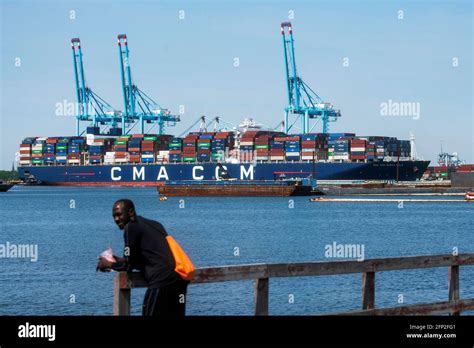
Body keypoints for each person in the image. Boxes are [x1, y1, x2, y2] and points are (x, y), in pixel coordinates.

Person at [97, 199, 189, 317]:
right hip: (179, 280)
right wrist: (120, 260)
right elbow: (152, 258)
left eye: (119, 215)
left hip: (161, 282)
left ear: (130, 212)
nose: (116, 219)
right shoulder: (155, 224)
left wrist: (107, 264)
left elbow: (128, 266)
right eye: (114, 216)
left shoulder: (130, 227)